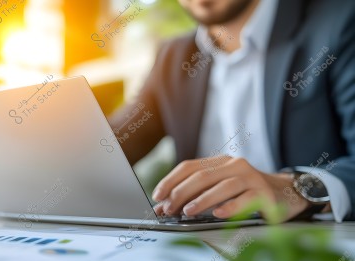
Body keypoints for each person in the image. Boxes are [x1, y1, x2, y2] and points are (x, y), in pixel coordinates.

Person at [108, 0, 355, 222]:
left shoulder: (341, 23)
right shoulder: (174, 56)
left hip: (304, 253)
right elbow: (109, 145)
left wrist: (296, 189)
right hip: (196, 254)